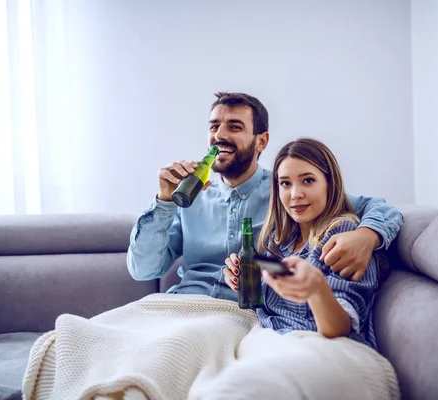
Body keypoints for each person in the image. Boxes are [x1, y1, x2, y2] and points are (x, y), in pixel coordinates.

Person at [127, 92, 403, 301]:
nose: (219, 135)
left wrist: (366, 236)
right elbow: (143, 270)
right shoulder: (190, 198)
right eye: (214, 127)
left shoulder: (288, 194)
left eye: (234, 127)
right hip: (181, 306)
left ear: (262, 141)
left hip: (243, 313)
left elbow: (380, 209)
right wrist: (163, 201)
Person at [223, 138, 384, 349]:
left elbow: (340, 329)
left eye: (308, 180)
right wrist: (243, 280)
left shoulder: (343, 234)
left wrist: (317, 289)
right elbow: (266, 308)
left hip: (319, 348)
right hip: (267, 338)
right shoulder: (278, 240)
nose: (295, 194)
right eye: (285, 183)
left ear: (329, 183)